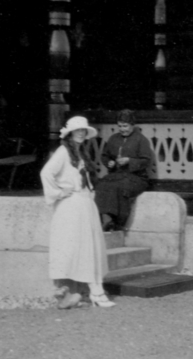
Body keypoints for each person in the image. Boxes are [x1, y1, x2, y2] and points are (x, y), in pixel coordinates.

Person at [40, 115, 114, 309]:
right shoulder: (63, 152)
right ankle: (93, 291)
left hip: (84, 202)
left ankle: (91, 290)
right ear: (70, 133)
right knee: (79, 247)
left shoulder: (82, 152)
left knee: (89, 246)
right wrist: (59, 192)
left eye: (83, 130)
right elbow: (46, 173)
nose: (81, 133)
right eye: (77, 130)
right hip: (71, 205)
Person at [95, 109, 156, 231]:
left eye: (125, 126)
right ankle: (106, 219)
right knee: (102, 184)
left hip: (137, 178)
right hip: (117, 175)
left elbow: (146, 161)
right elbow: (105, 155)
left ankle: (117, 222)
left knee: (119, 186)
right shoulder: (113, 138)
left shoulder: (141, 140)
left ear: (133, 125)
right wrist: (109, 163)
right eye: (120, 126)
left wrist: (129, 161)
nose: (122, 129)